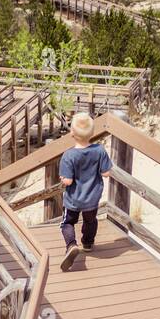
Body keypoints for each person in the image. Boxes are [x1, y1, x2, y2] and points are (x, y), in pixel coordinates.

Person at [57, 112, 113, 272]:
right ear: (92, 133)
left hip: (73, 199)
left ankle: (71, 245)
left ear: (72, 133)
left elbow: (68, 181)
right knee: (90, 220)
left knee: (67, 223)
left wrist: (62, 179)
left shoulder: (68, 155)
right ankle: (87, 243)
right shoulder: (99, 150)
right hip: (92, 198)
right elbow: (106, 173)